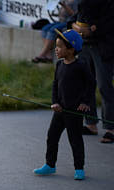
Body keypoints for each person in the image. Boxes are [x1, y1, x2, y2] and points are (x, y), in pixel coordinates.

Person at [34, 29, 94, 180]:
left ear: (71, 49)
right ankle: (50, 164)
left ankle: (79, 168)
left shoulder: (81, 65)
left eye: (60, 46)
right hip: (60, 110)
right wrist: (54, 102)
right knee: (52, 137)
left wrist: (85, 102)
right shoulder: (60, 65)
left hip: (74, 111)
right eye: (56, 46)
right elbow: (55, 85)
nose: (56, 49)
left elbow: (91, 84)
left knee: (75, 140)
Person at [68, 0, 114, 143]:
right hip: (85, 45)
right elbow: (78, 15)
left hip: (103, 46)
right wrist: (73, 25)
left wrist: (93, 29)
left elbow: (110, 21)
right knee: (86, 85)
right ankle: (91, 124)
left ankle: (110, 128)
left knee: (104, 86)